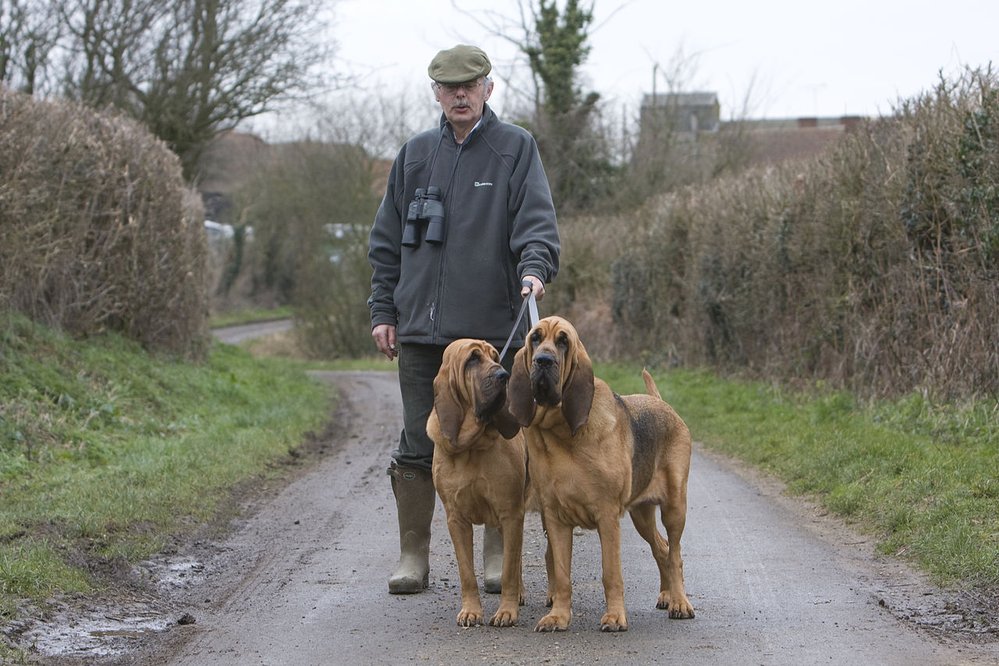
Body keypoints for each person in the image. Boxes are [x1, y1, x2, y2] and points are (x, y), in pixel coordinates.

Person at [367, 44, 560, 595]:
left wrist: (535, 268)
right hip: (421, 333)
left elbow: (537, 225)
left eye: (470, 86)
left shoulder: (514, 148)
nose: (460, 94)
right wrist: (384, 309)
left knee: (501, 436)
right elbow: (385, 244)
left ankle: (498, 555)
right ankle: (413, 556)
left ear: (487, 90)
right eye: (449, 87)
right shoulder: (415, 155)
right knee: (418, 440)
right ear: (436, 93)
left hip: (492, 336)